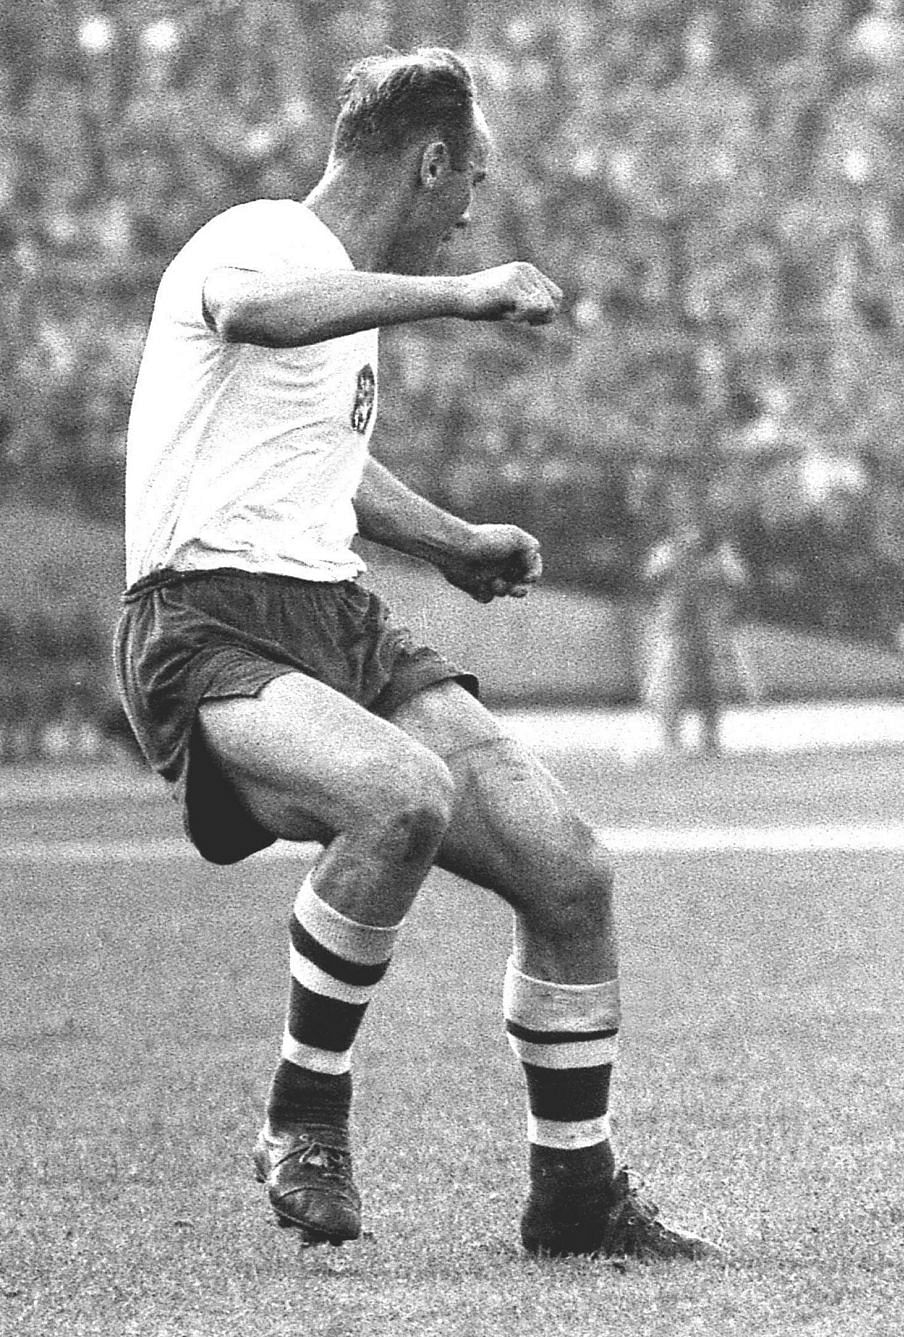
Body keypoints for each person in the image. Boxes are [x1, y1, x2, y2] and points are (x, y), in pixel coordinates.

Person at [113, 48, 716, 1260]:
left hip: (334, 616)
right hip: (206, 621)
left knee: (569, 871)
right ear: (432, 159)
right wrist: (464, 293)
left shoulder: (340, 300)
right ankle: (302, 1117)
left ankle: (574, 1193)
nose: (473, 212)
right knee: (401, 796)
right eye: (471, 180)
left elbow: (328, 461)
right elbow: (249, 314)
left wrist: (451, 540)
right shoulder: (265, 238)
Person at [638, 495, 751, 754]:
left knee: (711, 683)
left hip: (710, 624)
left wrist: (717, 584)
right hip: (675, 624)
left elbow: (738, 581)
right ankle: (670, 740)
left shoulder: (721, 553)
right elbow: (650, 580)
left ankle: (711, 738)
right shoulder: (666, 550)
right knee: (672, 682)